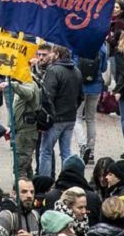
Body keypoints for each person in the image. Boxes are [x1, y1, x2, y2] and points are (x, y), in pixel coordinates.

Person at [39, 45, 83, 178]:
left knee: (46, 151)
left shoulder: (53, 71)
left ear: (57, 54)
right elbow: (81, 96)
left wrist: (46, 117)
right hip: (70, 118)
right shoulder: (76, 71)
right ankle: (67, 179)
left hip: (55, 119)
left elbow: (47, 96)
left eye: (52, 53)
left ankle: (45, 182)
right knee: (66, 152)